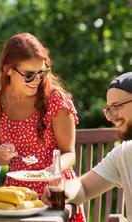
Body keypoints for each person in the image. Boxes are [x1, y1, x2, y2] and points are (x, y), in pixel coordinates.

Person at [0, 33, 85, 221]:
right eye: (29, 75)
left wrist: (50, 170)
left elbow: (69, 153)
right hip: (17, 194)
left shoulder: (55, 100)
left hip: (55, 191)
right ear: (8, 70)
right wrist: (2, 154)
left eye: (41, 72)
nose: (37, 80)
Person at [42, 72, 132, 220]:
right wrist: (62, 191)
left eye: (116, 106)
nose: (111, 117)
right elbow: (84, 187)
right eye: (108, 109)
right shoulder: (124, 154)